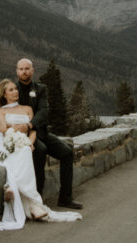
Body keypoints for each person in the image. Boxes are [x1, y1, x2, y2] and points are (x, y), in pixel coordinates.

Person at [0, 79, 80, 243]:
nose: (15, 92)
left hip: (24, 144)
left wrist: (30, 143)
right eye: (11, 90)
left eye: (15, 89)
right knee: (22, 153)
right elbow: (3, 130)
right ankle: (33, 205)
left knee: (26, 151)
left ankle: (13, 189)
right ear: (4, 94)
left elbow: (33, 130)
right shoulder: (1, 112)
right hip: (7, 145)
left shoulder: (27, 109)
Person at [12, 58, 84, 209]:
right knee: (41, 151)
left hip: (41, 131)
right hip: (22, 136)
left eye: (27, 68)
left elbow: (43, 111)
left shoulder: (41, 89)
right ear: (17, 71)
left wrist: (30, 124)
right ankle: (37, 200)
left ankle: (65, 198)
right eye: (21, 69)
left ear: (32, 70)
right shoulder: (12, 89)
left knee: (67, 153)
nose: (24, 71)